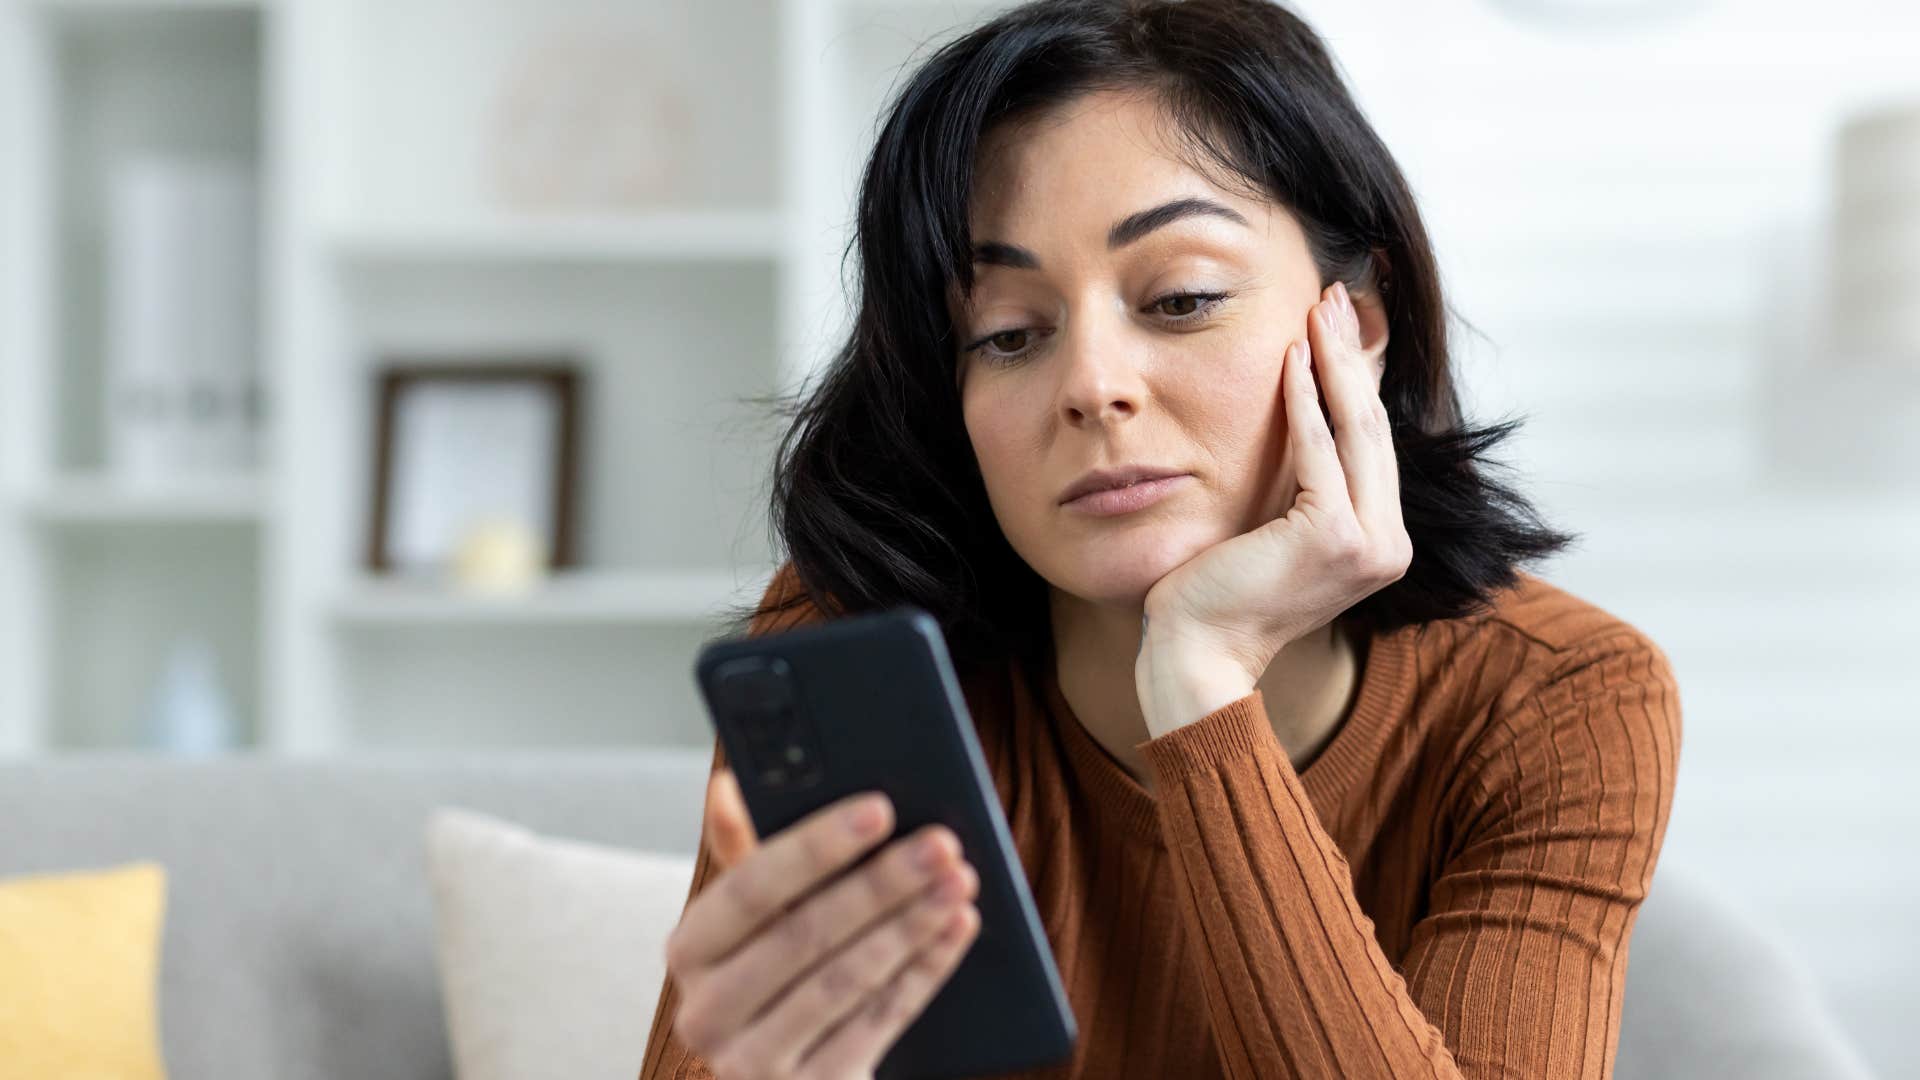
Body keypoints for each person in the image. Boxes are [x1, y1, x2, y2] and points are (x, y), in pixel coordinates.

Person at [639, 0, 1682, 1077]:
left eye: (1180, 299)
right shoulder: (854, 649)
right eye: (1007, 333)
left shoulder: (1558, 699)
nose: (1092, 384)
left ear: (1358, 325)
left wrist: (1200, 682)